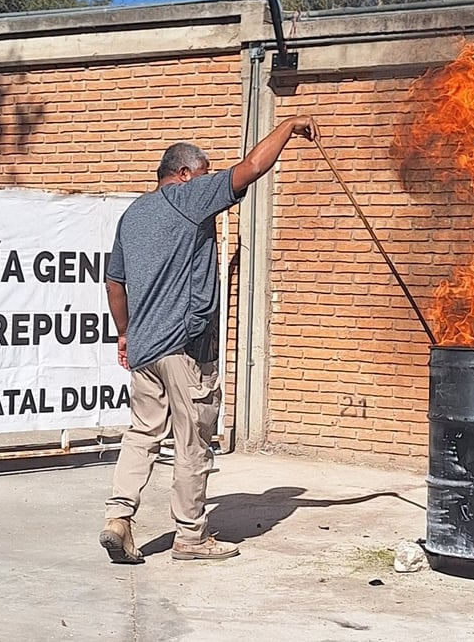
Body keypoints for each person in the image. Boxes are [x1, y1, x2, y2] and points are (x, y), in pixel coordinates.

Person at [99, 115, 318, 563]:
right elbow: (253, 165)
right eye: (203, 174)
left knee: (142, 433)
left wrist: (124, 333)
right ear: (183, 174)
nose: (209, 186)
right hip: (184, 348)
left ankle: (118, 517)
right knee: (192, 442)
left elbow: (113, 283)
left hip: (144, 347)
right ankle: (191, 538)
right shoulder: (187, 198)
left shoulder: (133, 213)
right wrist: (290, 125)